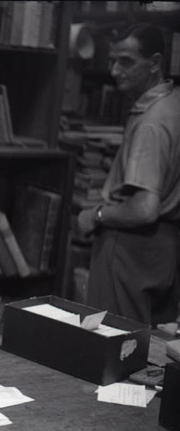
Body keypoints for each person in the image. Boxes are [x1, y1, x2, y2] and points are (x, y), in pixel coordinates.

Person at [78, 23, 180, 325]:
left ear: (155, 63)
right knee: (152, 345)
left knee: (114, 340)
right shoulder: (173, 104)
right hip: (166, 248)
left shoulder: (151, 122)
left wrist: (96, 215)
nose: (115, 71)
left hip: (129, 248)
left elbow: (145, 209)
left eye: (126, 61)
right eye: (112, 61)